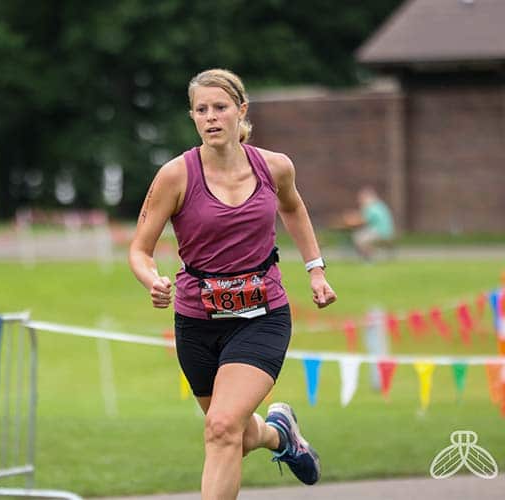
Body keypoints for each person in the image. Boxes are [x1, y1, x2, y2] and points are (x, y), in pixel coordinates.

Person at [128, 68, 337, 499]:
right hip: (196, 321)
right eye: (201, 110)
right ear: (192, 117)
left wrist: (315, 269)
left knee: (221, 427)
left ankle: (276, 433)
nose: (211, 117)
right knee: (235, 437)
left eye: (220, 107)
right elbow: (139, 249)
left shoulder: (274, 167)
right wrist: (152, 280)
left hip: (263, 317)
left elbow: (294, 210)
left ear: (241, 112)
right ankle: (281, 434)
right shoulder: (175, 175)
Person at [348, 186, 395, 260]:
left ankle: (369, 258)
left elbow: (364, 221)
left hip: (380, 231)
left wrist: (352, 219)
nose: (360, 200)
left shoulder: (370, 206)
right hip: (387, 231)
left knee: (358, 237)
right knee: (360, 236)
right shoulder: (379, 205)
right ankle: (371, 254)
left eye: (361, 198)